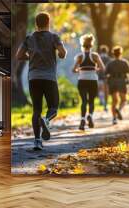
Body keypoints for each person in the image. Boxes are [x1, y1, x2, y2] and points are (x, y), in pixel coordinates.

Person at [16, 12, 67, 150]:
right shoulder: (54, 37)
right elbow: (62, 54)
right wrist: (56, 52)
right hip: (49, 78)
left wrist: (31, 57)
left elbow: (19, 55)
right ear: (48, 22)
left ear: (36, 24)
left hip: (34, 78)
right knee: (53, 108)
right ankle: (46, 120)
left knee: (36, 110)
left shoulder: (29, 38)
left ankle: (37, 141)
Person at [72, 34, 105, 130]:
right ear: (91, 45)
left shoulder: (79, 56)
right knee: (91, 101)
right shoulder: (95, 56)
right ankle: (90, 116)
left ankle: (82, 120)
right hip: (92, 80)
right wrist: (95, 69)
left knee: (84, 101)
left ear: (82, 45)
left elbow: (73, 70)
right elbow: (102, 68)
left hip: (82, 80)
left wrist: (80, 70)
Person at [105, 46, 129, 125]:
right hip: (121, 81)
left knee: (114, 101)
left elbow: (106, 73)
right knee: (124, 100)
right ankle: (119, 110)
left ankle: (114, 119)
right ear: (121, 53)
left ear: (113, 54)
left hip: (112, 82)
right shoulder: (124, 62)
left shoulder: (110, 63)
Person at [97, 45, 112, 112]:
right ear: (107, 51)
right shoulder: (109, 58)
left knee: (100, 90)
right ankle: (105, 104)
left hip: (99, 76)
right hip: (107, 76)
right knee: (106, 91)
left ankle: (102, 101)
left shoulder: (98, 57)